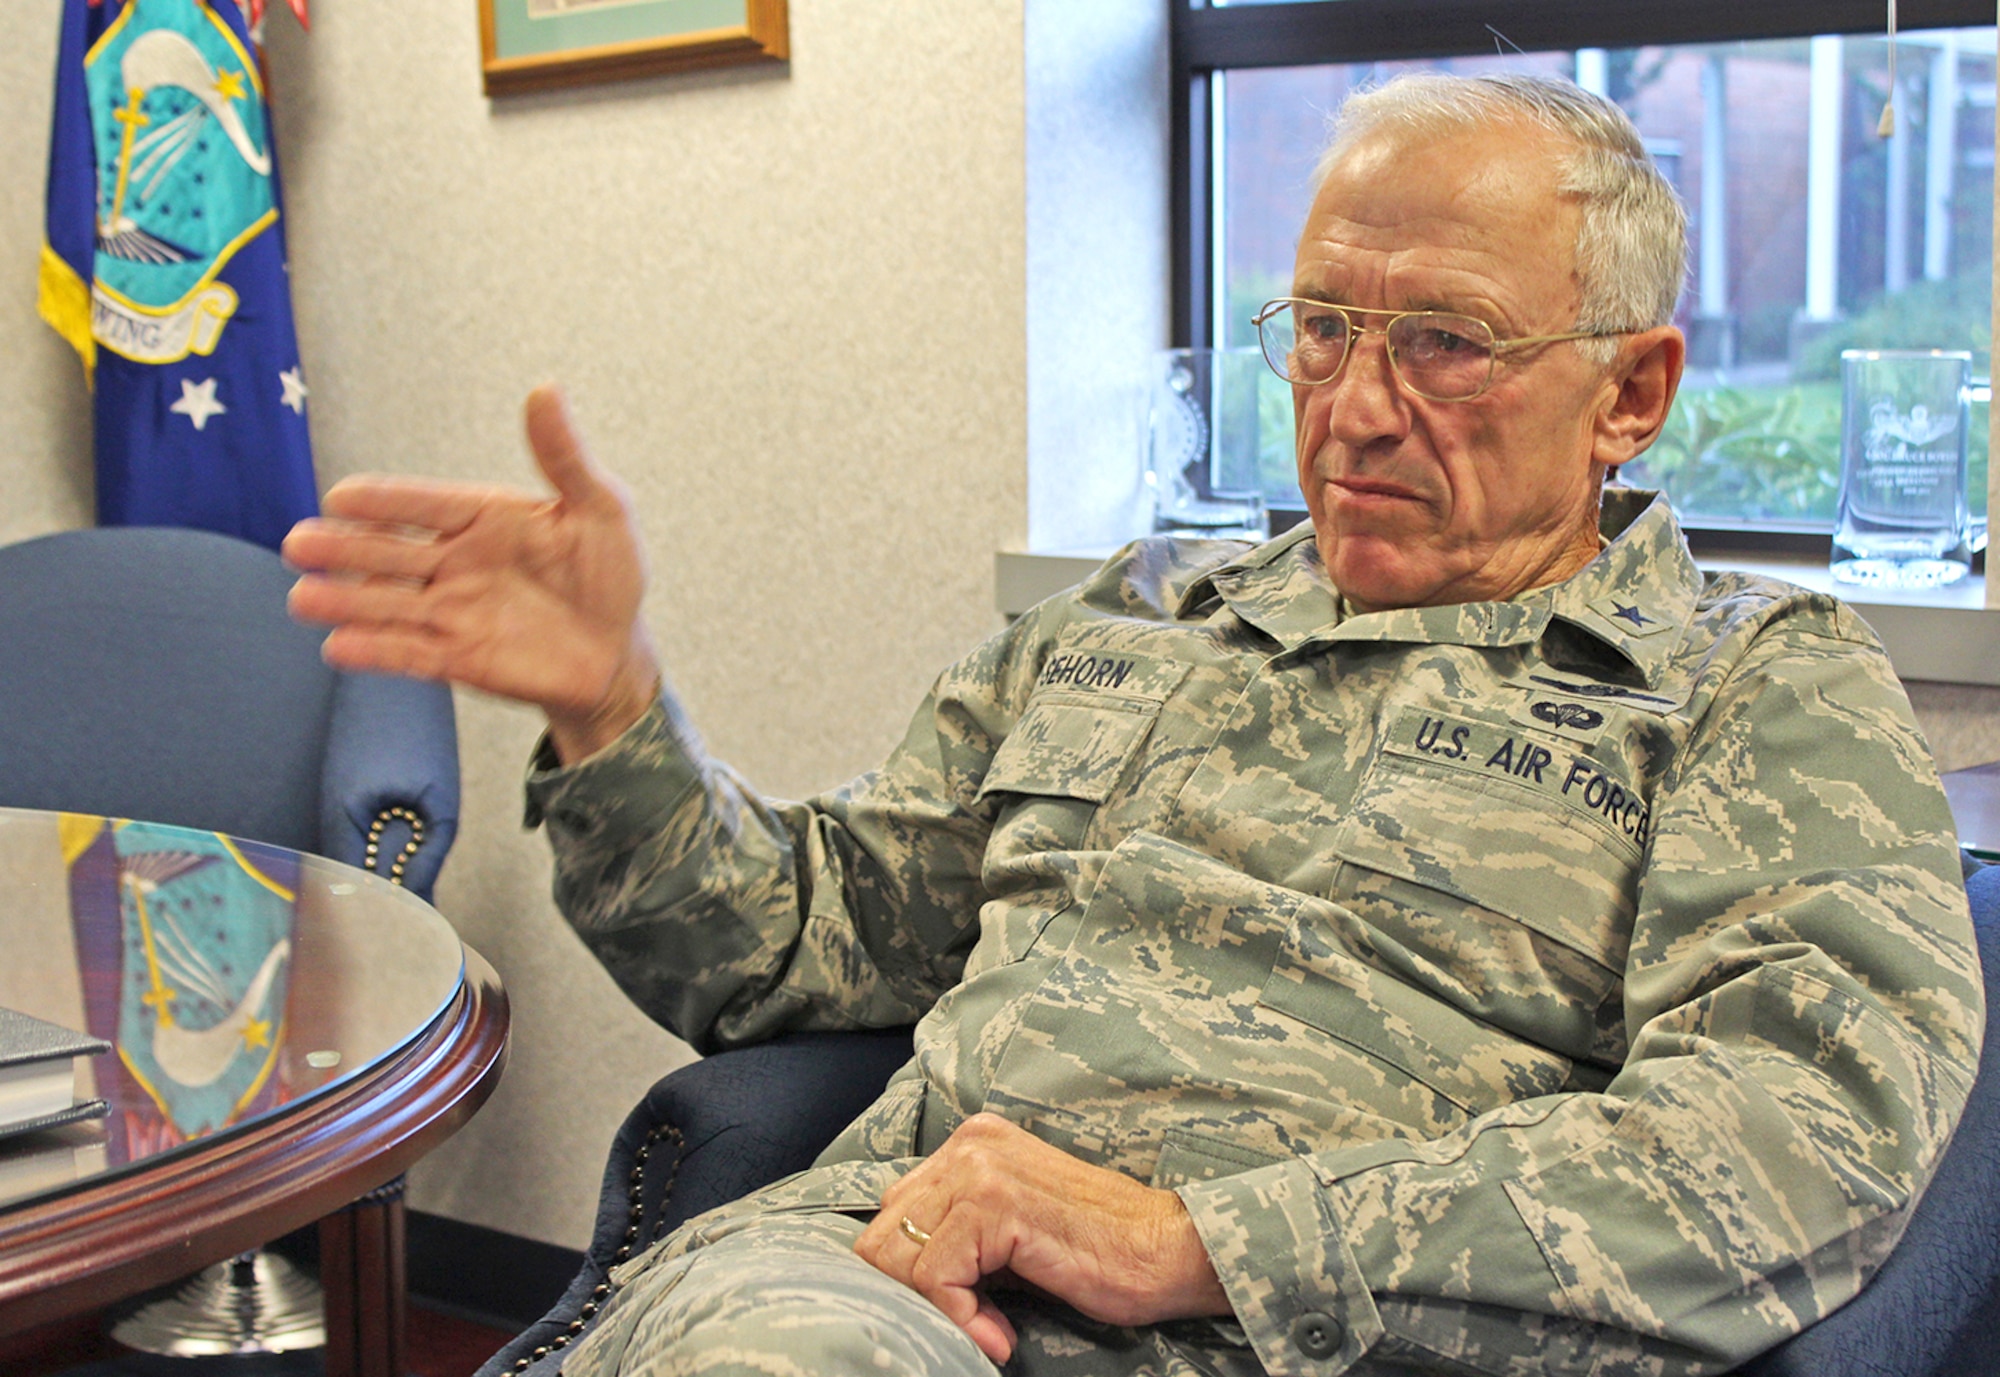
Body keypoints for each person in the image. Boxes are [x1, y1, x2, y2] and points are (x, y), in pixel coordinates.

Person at [285, 74, 1982, 1377]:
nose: (1359, 407)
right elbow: (789, 952)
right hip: (898, 1294)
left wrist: (1197, 1241)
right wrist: (614, 703)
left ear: (1632, 390)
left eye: (1447, 343)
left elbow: (1784, 1140)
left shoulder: (1751, 685)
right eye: (1321, 329)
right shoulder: (1141, 618)